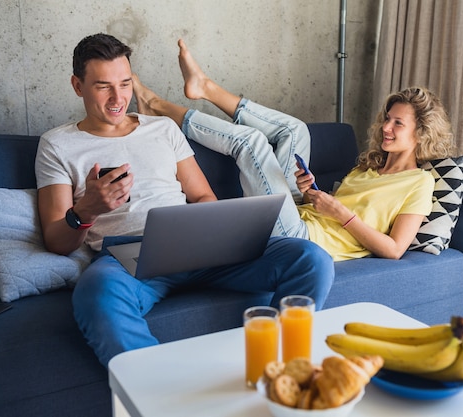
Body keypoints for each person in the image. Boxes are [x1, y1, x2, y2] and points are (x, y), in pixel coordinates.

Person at [35, 33, 334, 368]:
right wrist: (86, 210)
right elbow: (56, 240)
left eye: (125, 83)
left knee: (311, 258)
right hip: (129, 257)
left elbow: (202, 195)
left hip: (197, 243)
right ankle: (160, 393)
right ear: (78, 85)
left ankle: (276, 369)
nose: (118, 97)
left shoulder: (162, 128)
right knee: (97, 292)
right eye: (103, 86)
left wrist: (218, 231)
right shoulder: (57, 144)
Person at [133, 39, 456, 263]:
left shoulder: (420, 182)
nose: (386, 127)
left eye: (398, 123)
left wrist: (340, 213)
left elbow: (394, 249)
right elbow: (318, 210)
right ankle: (205, 88)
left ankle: (157, 105)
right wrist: (309, 192)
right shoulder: (367, 168)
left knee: (251, 143)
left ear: (421, 133)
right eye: (387, 118)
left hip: (303, 241)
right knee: (294, 130)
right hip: (296, 216)